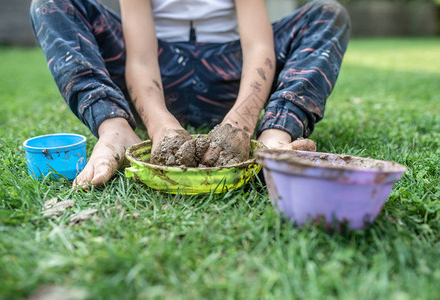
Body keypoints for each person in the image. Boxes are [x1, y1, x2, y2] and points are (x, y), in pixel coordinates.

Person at [30, 0, 350, 188]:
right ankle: (116, 129)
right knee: (53, 3)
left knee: (327, 13)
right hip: (156, 70)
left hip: (232, 70)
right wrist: (159, 126)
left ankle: (275, 137)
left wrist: (243, 121)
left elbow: (259, 46)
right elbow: (140, 58)